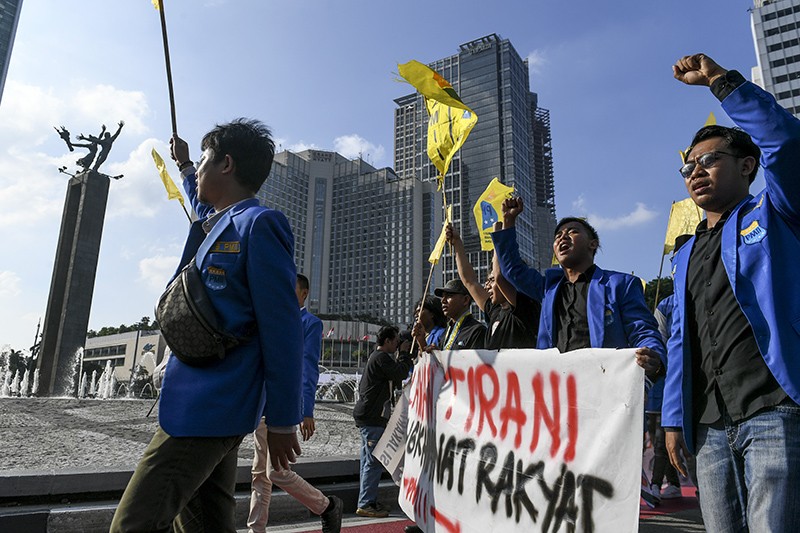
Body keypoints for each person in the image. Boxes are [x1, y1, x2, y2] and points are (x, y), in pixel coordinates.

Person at [110, 118, 303, 533]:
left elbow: (283, 328)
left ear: (227, 165)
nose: (198, 169)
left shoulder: (260, 224)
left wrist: (284, 420)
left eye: (202, 161)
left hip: (214, 405)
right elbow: (201, 209)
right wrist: (182, 165)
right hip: (201, 404)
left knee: (133, 524)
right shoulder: (218, 223)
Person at [664, 53, 800, 532]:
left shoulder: (777, 213)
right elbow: (681, 339)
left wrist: (721, 83)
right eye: (688, 167)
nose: (695, 172)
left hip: (775, 409)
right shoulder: (684, 256)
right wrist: (674, 420)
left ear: (747, 166)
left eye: (708, 161)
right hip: (710, 428)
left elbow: (785, 141)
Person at [491, 198, 665, 371]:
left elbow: (642, 331)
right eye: (558, 236)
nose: (562, 237)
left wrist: (653, 355)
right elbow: (513, 270)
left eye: (572, 232)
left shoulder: (621, 285)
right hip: (555, 387)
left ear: (593, 244)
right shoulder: (547, 288)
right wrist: (509, 221)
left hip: (603, 385)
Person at [247, 274, 343, 533]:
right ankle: (256, 530)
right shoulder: (271, 320)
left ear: (304, 294)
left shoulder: (309, 323)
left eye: (292, 290)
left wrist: (306, 409)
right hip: (261, 407)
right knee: (259, 474)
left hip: (284, 407)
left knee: (276, 473)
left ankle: (327, 506)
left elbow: (308, 365)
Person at [444, 222, 539, 349]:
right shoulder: (495, 310)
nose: (486, 286)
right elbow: (469, 281)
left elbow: (500, 277)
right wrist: (457, 242)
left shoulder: (526, 308)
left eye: (491, 280)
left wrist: (498, 234)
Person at [352, 325, 414, 518]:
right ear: (387, 341)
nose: (397, 345)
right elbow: (400, 374)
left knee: (367, 461)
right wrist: (404, 354)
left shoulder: (377, 357)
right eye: (395, 341)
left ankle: (366, 500)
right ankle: (366, 503)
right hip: (372, 418)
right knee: (374, 461)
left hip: (367, 416)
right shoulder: (381, 358)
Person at [646, 293, 682, 502]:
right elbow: (657, 344)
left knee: (662, 441)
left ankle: (655, 485)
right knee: (659, 441)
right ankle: (675, 483)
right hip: (657, 389)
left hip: (674, 389)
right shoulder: (664, 306)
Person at [417, 279, 486, 351]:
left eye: (449, 296)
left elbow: (476, 361)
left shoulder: (477, 331)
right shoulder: (445, 333)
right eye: (443, 297)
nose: (443, 301)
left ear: (465, 300)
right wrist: (422, 342)